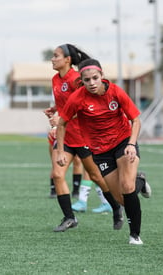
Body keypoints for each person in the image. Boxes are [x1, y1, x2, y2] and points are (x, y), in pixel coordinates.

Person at [56, 58, 145, 245]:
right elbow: (62, 123)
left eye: (95, 78)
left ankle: (135, 235)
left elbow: (136, 119)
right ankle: (141, 182)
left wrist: (131, 144)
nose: (92, 83)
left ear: (102, 75)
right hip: (100, 151)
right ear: (82, 80)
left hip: (123, 143)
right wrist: (60, 151)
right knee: (121, 198)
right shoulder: (78, 98)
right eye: (87, 80)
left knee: (127, 187)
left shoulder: (115, 92)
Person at [44, 44, 124, 232]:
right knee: (57, 174)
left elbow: (86, 105)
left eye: (56, 56)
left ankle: (116, 208)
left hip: (84, 136)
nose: (52, 59)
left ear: (67, 60)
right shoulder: (55, 79)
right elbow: (66, 104)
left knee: (96, 176)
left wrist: (61, 117)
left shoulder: (77, 79)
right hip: (65, 136)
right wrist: (56, 111)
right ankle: (69, 218)